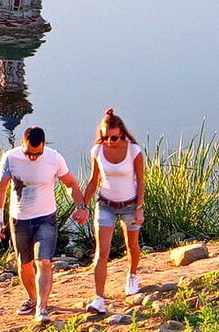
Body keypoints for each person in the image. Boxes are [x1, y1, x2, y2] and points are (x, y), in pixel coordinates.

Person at [0, 126, 89, 323]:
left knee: (43, 262)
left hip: (46, 218)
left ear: (44, 145)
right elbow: (0, 188)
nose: (33, 157)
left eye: (38, 154)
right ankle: (32, 298)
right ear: (22, 143)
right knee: (24, 264)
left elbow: (69, 183)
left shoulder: (54, 158)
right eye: (29, 153)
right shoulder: (10, 158)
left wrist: (81, 206)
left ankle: (42, 308)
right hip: (19, 218)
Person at [83, 108, 145, 315]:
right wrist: (82, 205)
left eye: (114, 138)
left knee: (132, 245)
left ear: (122, 133)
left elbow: (141, 182)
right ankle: (99, 298)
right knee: (102, 252)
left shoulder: (134, 151)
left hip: (129, 204)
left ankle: (132, 276)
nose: (109, 141)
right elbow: (94, 181)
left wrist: (139, 209)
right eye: (105, 137)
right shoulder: (97, 151)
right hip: (105, 204)